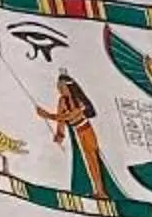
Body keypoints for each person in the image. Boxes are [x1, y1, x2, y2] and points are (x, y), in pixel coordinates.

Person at [37, 69, 111, 199]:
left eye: (62, 86)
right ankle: (97, 190)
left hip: (87, 130)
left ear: (69, 86)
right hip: (77, 133)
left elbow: (71, 115)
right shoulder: (62, 101)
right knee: (86, 162)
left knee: (93, 160)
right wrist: (60, 134)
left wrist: (47, 115)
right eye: (58, 87)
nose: (60, 89)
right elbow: (61, 119)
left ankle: (101, 191)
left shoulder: (78, 99)